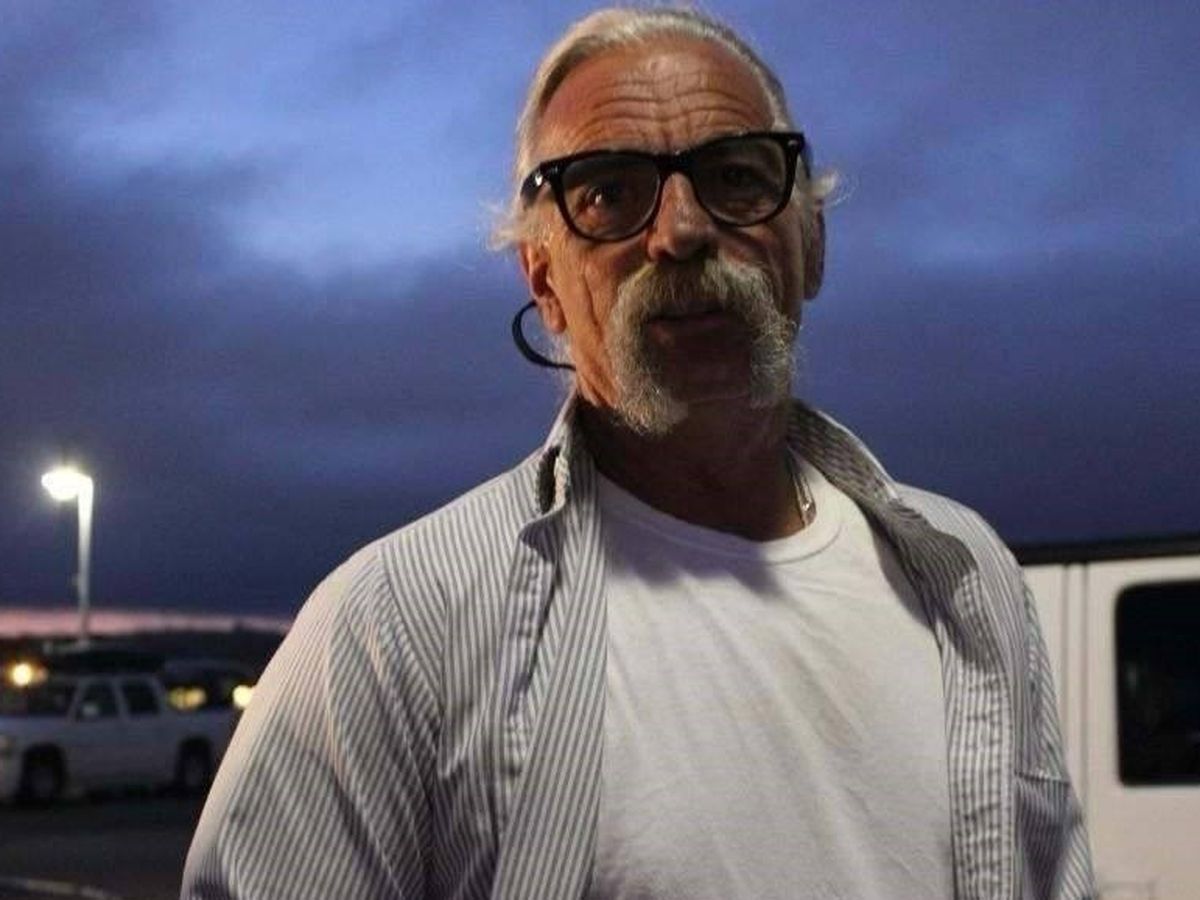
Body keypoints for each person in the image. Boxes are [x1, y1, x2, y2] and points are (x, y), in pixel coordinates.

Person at [182, 7, 1094, 899]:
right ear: (544, 279)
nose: (681, 232)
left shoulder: (964, 575)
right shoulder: (397, 629)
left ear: (811, 242)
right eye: (611, 193)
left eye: (735, 177)